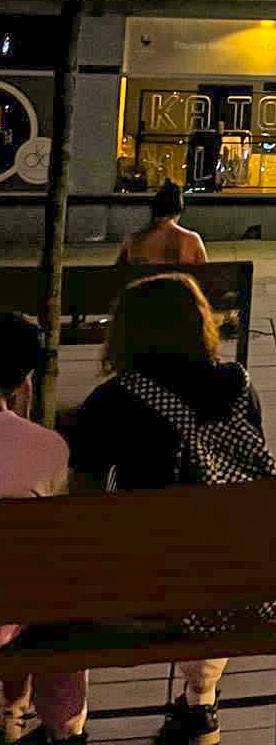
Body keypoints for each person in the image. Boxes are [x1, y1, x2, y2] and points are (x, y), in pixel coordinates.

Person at [70, 275, 276, 745]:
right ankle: (200, 703)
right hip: (240, 584)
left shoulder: (110, 401)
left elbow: (80, 508)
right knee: (215, 548)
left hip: (139, 594)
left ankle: (65, 726)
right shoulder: (239, 385)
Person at [0, 314, 88, 745]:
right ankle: (65, 728)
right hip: (15, 613)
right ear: (22, 383)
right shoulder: (45, 448)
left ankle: (13, 711)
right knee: (55, 591)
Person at [117, 181, 208, 266]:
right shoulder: (191, 239)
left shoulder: (132, 241)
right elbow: (206, 274)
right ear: (178, 210)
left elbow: (117, 273)